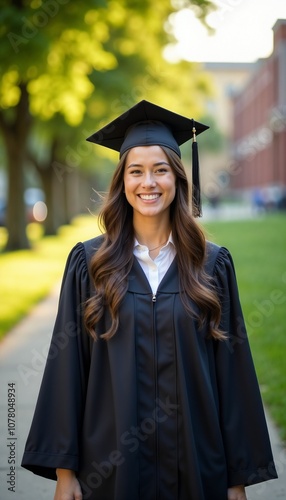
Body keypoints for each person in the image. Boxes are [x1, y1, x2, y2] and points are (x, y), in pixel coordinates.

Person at [22, 100, 277, 500]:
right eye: (136, 171)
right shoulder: (90, 264)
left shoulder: (211, 265)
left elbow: (233, 374)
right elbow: (68, 367)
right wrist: (65, 473)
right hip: (110, 468)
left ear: (177, 178)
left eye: (160, 170)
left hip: (197, 463)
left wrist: (237, 479)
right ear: (122, 181)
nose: (149, 183)